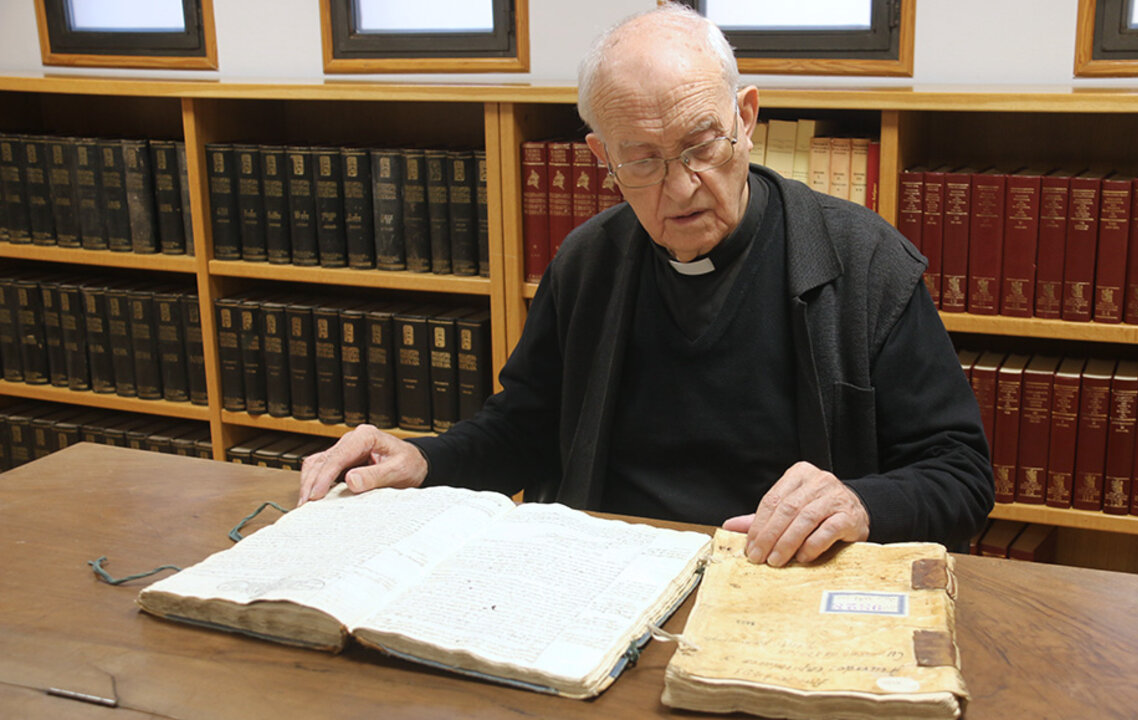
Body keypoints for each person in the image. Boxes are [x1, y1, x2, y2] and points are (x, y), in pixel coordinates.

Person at [299, 5, 993, 563]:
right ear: (603, 157)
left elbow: (960, 474)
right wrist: (422, 459)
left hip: (776, 578)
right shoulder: (588, 261)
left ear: (746, 118)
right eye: (644, 160)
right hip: (604, 571)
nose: (682, 186)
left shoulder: (866, 263)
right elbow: (526, 428)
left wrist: (861, 503)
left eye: (702, 145)